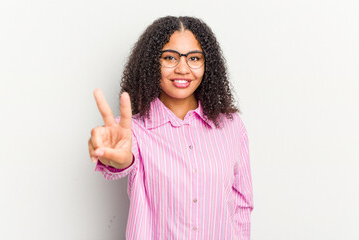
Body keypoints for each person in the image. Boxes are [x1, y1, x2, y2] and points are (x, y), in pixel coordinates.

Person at [88, 16, 253, 239]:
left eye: (194, 58)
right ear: (151, 63)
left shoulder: (231, 126)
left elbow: (242, 205)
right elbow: (121, 159)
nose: (183, 68)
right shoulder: (131, 131)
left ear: (208, 64)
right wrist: (113, 157)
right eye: (170, 58)